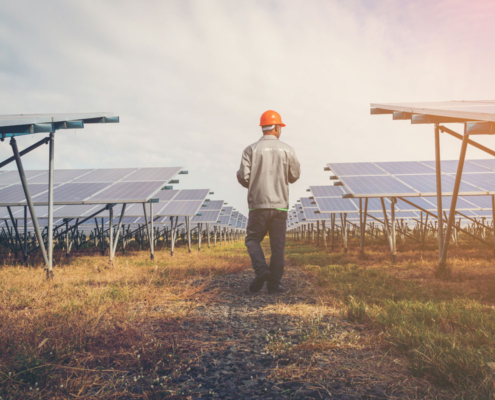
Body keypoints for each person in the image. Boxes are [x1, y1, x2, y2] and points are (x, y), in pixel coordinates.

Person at [236, 110, 301, 294]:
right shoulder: (288, 150)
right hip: (280, 205)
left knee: (252, 239)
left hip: (258, 205)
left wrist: (255, 183)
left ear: (263, 128)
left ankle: (261, 270)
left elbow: (243, 177)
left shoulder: (250, 150)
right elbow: (294, 175)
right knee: (277, 247)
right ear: (277, 128)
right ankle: (273, 285)